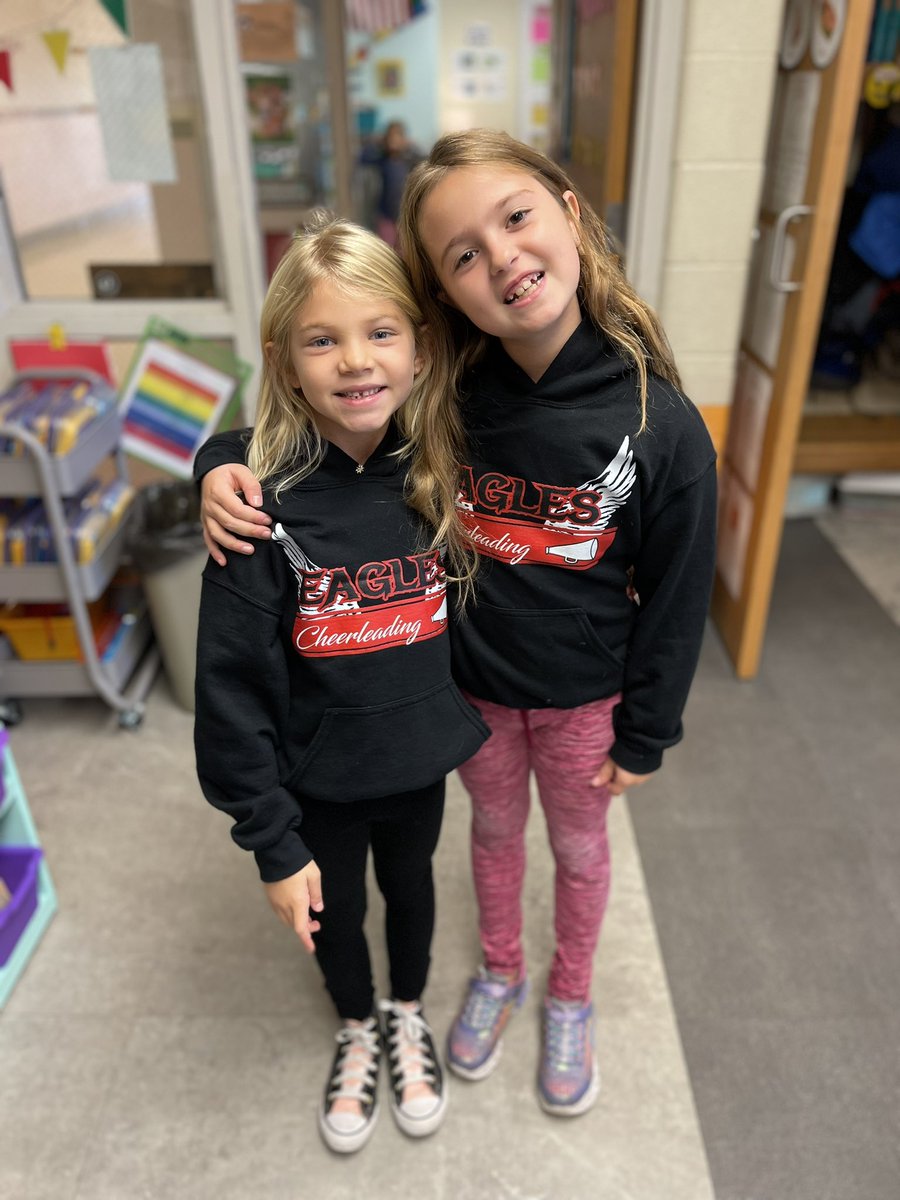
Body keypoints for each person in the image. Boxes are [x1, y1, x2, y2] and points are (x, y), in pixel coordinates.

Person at [195, 131, 718, 1121]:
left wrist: (648, 728)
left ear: (567, 209)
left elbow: (682, 594)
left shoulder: (664, 424)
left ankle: (569, 995)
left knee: (579, 851)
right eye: (462, 256)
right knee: (487, 839)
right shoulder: (449, 392)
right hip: (471, 695)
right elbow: (315, 421)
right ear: (442, 301)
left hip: (584, 704)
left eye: (515, 218)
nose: (502, 258)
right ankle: (501, 973)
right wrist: (216, 464)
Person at [193, 213, 488, 1155]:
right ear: (285, 361)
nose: (356, 362)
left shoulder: (443, 466)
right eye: (323, 340)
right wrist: (271, 844)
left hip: (417, 766)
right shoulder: (255, 510)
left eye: (380, 332)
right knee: (339, 910)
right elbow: (229, 695)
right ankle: (358, 1024)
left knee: (413, 890)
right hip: (315, 779)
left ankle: (408, 1011)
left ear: (420, 345)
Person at [359, 120, 422, 248]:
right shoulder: (382, 159)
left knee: (406, 249)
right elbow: (363, 158)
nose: (394, 142)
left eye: (397, 137)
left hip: (405, 213)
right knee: (387, 248)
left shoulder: (408, 159)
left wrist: (410, 146)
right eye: (391, 138)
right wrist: (377, 143)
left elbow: (423, 161)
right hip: (385, 213)